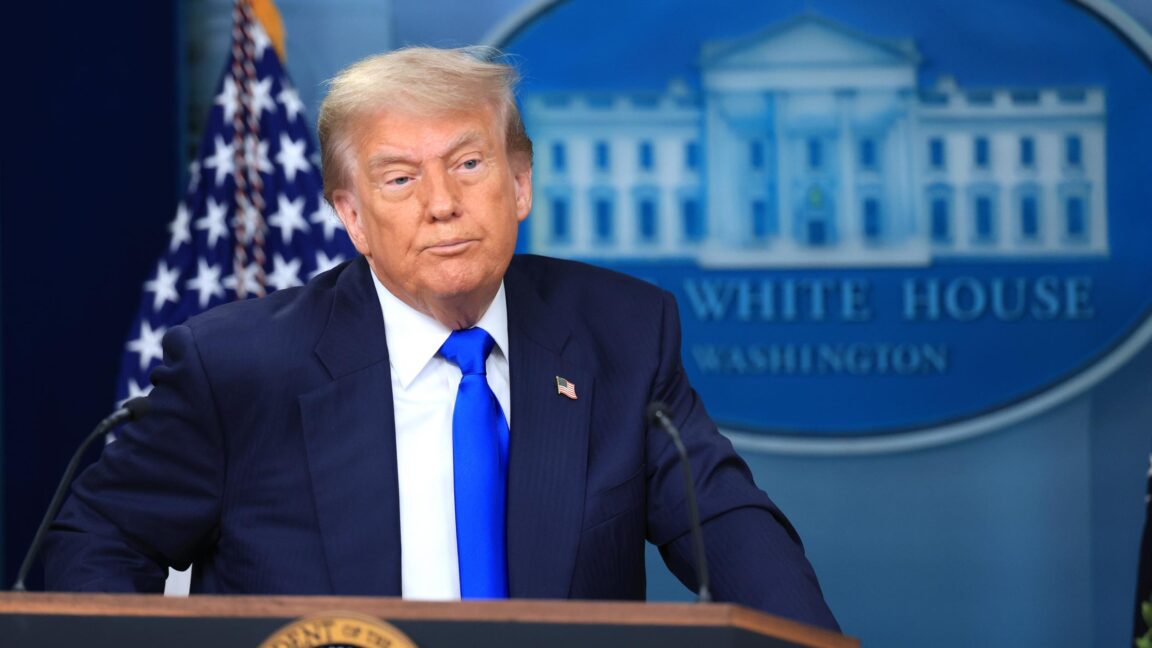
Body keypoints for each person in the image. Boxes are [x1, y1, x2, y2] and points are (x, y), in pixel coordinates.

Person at [44, 46, 840, 631]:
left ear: (520, 183)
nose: (442, 203)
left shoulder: (622, 335)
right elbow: (97, 539)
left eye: (468, 163)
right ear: (351, 215)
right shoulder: (240, 366)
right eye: (399, 178)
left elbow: (733, 531)